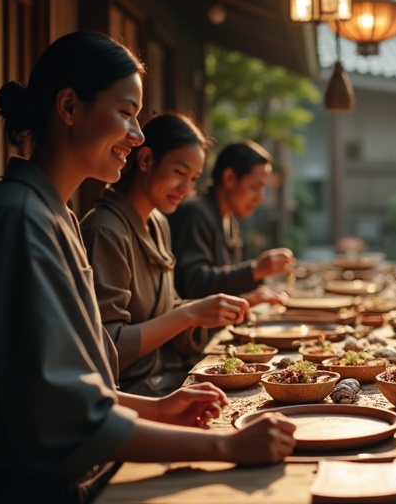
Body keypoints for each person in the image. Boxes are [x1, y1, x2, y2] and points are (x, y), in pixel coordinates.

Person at [0, 31, 295, 503]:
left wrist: (158, 408)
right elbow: (66, 416)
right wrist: (226, 445)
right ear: (69, 107)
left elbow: (81, 386)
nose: (137, 137)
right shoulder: (23, 218)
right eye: (126, 113)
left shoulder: (58, 215)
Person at [80, 113, 287, 396]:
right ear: (145, 160)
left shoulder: (158, 223)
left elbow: (168, 310)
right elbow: (109, 347)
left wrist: (211, 313)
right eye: (179, 173)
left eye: (193, 178)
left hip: (167, 374)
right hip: (134, 393)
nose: (187, 189)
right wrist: (190, 314)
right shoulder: (105, 231)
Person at [168, 140, 294, 299]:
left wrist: (255, 294)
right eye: (254, 187)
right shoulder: (194, 213)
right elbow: (193, 283)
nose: (260, 198)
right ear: (229, 178)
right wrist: (256, 269)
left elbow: (224, 286)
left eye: (263, 189)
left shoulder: (229, 219)